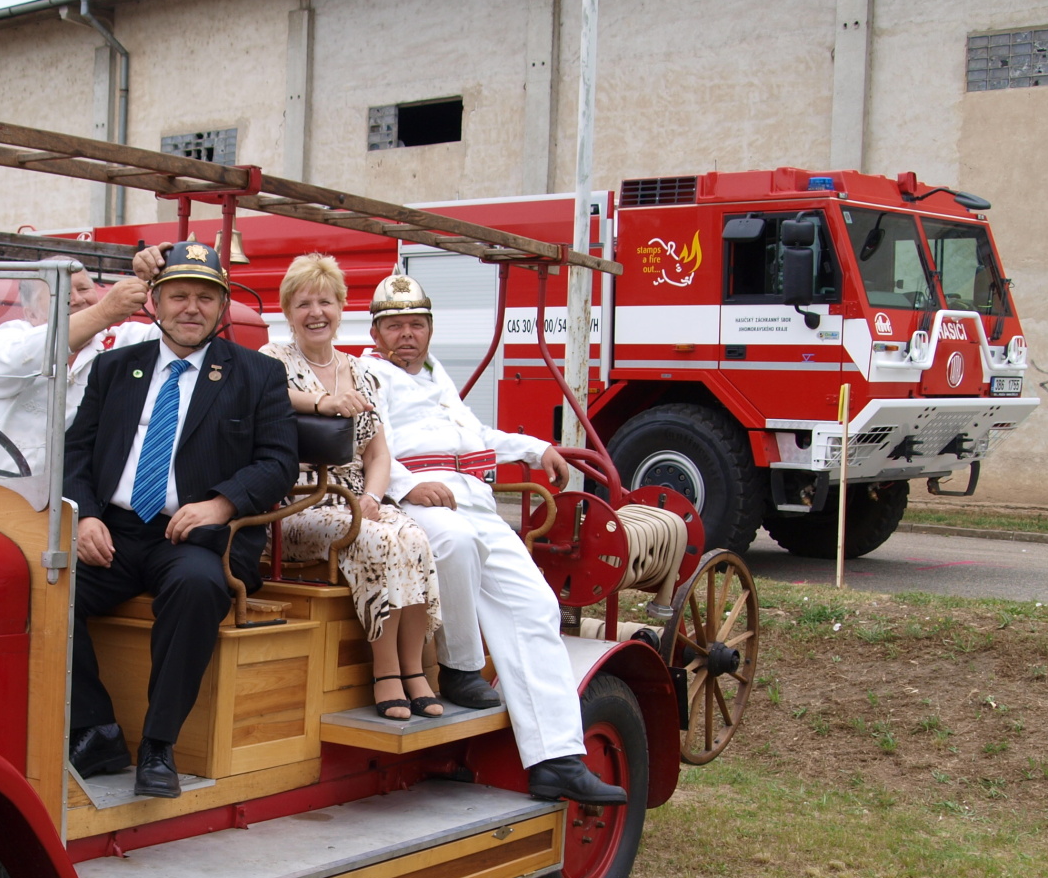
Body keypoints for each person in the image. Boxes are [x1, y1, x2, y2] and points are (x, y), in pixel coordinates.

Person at [363, 272, 627, 808]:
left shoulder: (436, 375)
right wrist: (408, 486)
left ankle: (556, 760)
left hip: (473, 499)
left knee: (538, 606)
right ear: (376, 333)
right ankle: (461, 668)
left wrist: (535, 448)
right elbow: (367, 445)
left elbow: (476, 437)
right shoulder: (368, 375)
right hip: (413, 500)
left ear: (430, 329)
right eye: (394, 325)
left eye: (416, 324)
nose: (407, 334)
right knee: (455, 542)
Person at [65, 239, 299, 798]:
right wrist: (86, 517)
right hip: (115, 533)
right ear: (156, 303)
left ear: (221, 308)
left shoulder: (257, 374)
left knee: (196, 587)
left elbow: (279, 463)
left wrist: (221, 503)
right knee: (43, 583)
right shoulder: (113, 368)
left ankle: (158, 745)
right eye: (178, 296)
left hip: (200, 538)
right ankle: (95, 729)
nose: (191, 308)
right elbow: (75, 452)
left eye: (204, 297)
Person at [265, 253, 442, 721]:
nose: (316, 313)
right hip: (298, 502)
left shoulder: (362, 372)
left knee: (415, 538)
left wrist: (372, 497)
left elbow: (378, 455)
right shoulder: (272, 361)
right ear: (288, 312)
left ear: (342, 309)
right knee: (377, 539)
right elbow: (272, 395)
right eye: (304, 304)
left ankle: (414, 669)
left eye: (325, 302)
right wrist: (321, 402)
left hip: (355, 498)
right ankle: (386, 673)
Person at [0, 255, 156, 475]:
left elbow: (178, 330)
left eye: (83, 288)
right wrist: (104, 312)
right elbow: (15, 362)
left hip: (84, 493)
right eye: (61, 292)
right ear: (31, 313)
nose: (77, 299)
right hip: (8, 489)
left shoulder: (123, 340)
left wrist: (163, 265)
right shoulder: (9, 339)